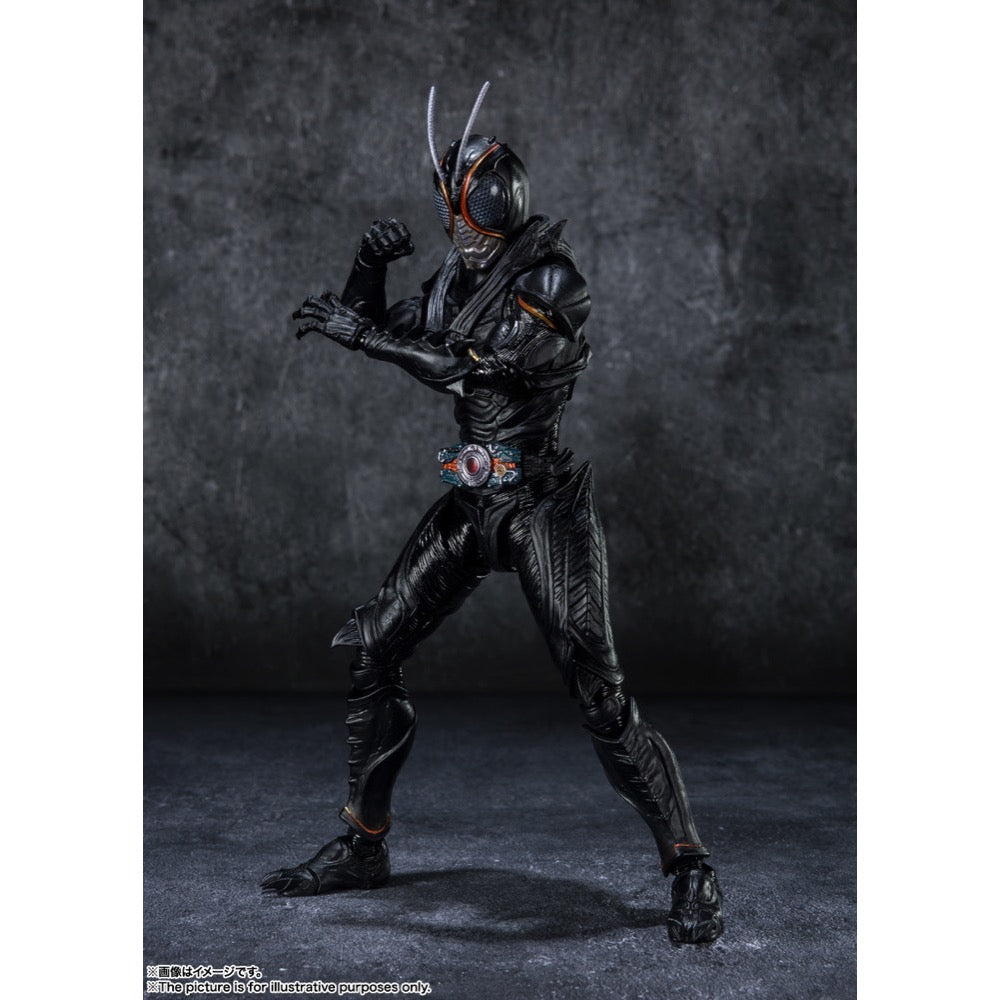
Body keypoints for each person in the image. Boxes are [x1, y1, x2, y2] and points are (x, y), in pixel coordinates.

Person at [261, 83, 724, 945]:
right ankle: (363, 842)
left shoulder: (551, 279)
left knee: (598, 690)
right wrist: (368, 266)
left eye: (484, 197)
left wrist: (363, 334)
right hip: (476, 500)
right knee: (375, 646)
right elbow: (375, 321)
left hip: (540, 501)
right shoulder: (456, 278)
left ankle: (690, 864)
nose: (477, 213)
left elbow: (456, 363)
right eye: (468, 199)